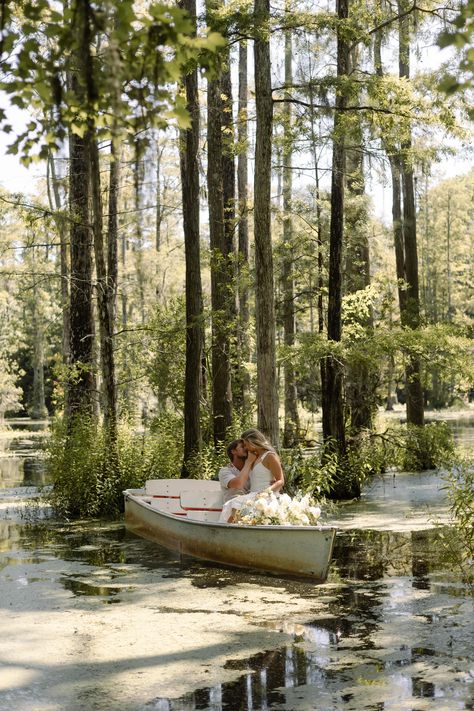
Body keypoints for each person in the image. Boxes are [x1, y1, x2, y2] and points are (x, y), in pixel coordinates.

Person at [219, 429, 284, 522]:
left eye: (245, 444)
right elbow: (239, 483)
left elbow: (280, 480)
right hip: (253, 495)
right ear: (234, 451)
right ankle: (228, 531)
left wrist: (267, 491)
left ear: (252, 441)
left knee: (235, 505)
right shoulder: (251, 460)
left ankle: (228, 531)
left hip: (263, 495)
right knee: (233, 505)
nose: (245, 448)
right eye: (243, 446)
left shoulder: (269, 456)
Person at [218, 439, 252, 504]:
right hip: (233, 509)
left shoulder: (253, 469)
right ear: (233, 451)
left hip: (252, 508)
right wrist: (249, 462)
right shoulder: (225, 471)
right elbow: (237, 484)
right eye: (242, 446)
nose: (246, 449)